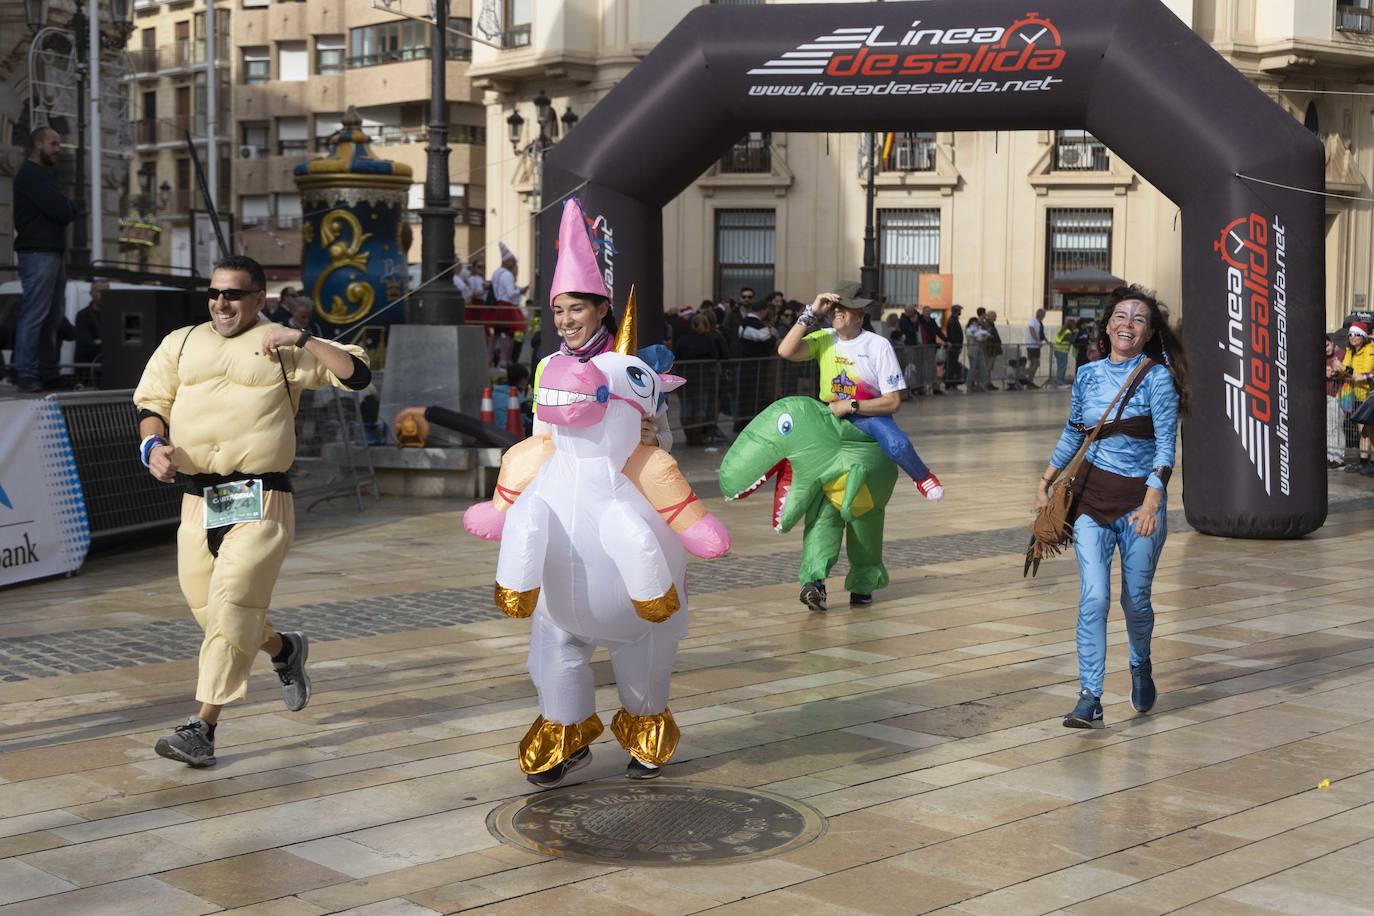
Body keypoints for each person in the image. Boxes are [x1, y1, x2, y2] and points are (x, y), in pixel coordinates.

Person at [134, 254, 370, 767]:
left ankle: (202, 728)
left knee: (234, 605)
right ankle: (283, 649)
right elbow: (152, 406)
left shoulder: (283, 345)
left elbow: (358, 375)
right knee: (213, 614)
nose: (222, 303)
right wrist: (152, 449)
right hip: (198, 502)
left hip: (261, 499)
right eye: (215, 293)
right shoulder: (180, 342)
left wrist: (301, 337)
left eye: (234, 294)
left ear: (258, 298)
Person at [1035, 285, 1187, 728]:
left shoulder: (1157, 377)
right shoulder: (1086, 375)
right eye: (1121, 316)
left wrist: (1153, 499)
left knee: (1135, 601)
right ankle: (1090, 697)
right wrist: (1045, 481)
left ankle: (1140, 663)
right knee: (1094, 598)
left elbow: (1165, 445)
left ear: (1149, 332)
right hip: (1091, 502)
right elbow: (1075, 432)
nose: (1128, 325)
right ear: (1107, 326)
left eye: (1139, 319)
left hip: (1139, 508)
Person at [778, 281, 943, 609]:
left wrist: (852, 406)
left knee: (863, 516)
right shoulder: (823, 339)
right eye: (834, 307)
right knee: (823, 512)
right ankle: (813, 581)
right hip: (830, 440)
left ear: (860, 314)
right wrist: (812, 311)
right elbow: (785, 351)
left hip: (867, 439)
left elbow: (893, 402)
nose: (836, 312)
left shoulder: (878, 345)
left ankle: (864, 581)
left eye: (844, 307)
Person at [12, 127, 74, 393]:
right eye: (54, 143)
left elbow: (62, 209)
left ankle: (48, 372)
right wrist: (68, 206)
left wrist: (65, 206)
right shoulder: (31, 175)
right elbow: (62, 209)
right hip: (38, 253)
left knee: (52, 316)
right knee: (36, 313)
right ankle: (26, 371)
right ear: (38, 145)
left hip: (50, 252)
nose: (58, 149)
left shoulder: (43, 175)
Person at [1340, 322, 1374, 474]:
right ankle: (1364, 461)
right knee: (1363, 430)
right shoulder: (1350, 350)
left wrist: (1347, 371)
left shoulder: (1370, 349)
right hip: (1358, 395)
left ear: (1364, 336)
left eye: (1357, 334)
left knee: (1369, 431)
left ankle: (1370, 462)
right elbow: (1347, 369)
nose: (1353, 338)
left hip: (1370, 395)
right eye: (1351, 334)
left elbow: (1365, 372)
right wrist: (1341, 370)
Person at [1325, 334, 1348, 470]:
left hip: (1338, 395)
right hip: (1326, 395)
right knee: (1329, 428)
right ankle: (1330, 456)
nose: (1326, 349)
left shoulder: (1342, 353)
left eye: (1327, 345)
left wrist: (1336, 372)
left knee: (1336, 428)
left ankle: (1338, 458)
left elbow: (1350, 370)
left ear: (1332, 342)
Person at [74, 280, 105, 372]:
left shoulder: (114, 315)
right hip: (88, 370)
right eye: (100, 291)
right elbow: (85, 345)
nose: (103, 294)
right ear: (91, 294)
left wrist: (99, 342)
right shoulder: (83, 315)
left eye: (106, 291)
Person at [942, 304, 964, 390]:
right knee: (951, 365)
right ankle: (949, 384)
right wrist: (955, 344)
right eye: (959, 310)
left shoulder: (954, 320)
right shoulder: (952, 321)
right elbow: (952, 335)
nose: (960, 312)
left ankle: (952, 383)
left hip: (956, 346)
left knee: (953, 365)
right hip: (954, 347)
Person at [1024, 308, 1047, 388]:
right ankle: (1022, 374)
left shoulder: (1040, 323)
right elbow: (1032, 330)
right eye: (1043, 314)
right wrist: (1037, 341)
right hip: (1032, 345)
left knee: (1034, 364)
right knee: (1036, 363)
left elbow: (1042, 333)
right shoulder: (1032, 320)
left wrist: (1046, 341)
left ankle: (1029, 381)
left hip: (1036, 346)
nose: (1044, 316)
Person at [1052, 320, 1075, 388]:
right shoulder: (1068, 332)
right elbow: (1073, 340)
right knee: (1062, 367)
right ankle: (1060, 382)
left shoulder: (1063, 331)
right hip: (1062, 351)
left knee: (1060, 366)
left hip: (1057, 350)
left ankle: (1059, 381)